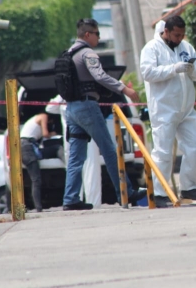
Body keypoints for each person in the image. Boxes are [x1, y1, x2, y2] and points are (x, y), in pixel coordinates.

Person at [62, 18, 146, 211]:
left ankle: (70, 198)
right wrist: (125, 89)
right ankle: (125, 193)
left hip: (72, 109)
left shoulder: (68, 53)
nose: (99, 37)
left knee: (76, 157)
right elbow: (99, 76)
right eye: (97, 33)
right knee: (109, 150)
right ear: (87, 35)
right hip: (87, 108)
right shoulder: (87, 53)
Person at [140, 16, 196, 208]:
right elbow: (147, 73)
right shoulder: (151, 48)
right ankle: (160, 193)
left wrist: (192, 69)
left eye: (182, 35)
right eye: (176, 35)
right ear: (166, 31)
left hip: (186, 108)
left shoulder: (186, 47)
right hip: (164, 110)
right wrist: (173, 69)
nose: (179, 38)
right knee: (162, 152)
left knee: (195, 146)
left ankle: (188, 187)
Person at [46, 95, 102, 207]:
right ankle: (75, 201)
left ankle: (93, 204)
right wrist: (63, 96)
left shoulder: (83, 98)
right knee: (75, 170)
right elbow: (49, 108)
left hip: (87, 137)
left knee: (90, 170)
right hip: (71, 140)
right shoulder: (64, 102)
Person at [20, 112, 55, 212]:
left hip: (23, 147)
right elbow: (45, 134)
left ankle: (33, 206)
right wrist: (54, 134)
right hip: (27, 147)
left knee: (32, 179)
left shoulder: (32, 121)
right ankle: (38, 208)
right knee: (36, 180)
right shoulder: (43, 116)